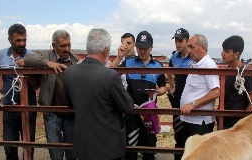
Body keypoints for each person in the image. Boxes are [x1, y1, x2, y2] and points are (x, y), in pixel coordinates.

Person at [63, 28, 134, 160]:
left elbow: (70, 103)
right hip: (108, 149)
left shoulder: (69, 73)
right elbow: (128, 107)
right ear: (106, 50)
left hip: (82, 147)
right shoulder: (110, 76)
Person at [17, 30, 78, 160]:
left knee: (72, 151)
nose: (67, 49)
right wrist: (48, 64)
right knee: (55, 151)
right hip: (51, 112)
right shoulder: (46, 55)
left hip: (71, 113)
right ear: (54, 46)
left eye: (69, 45)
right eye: (62, 46)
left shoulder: (75, 60)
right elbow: (28, 58)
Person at [119, 31, 167, 160]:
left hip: (149, 113)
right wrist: (119, 57)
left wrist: (157, 92)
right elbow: (113, 73)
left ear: (151, 47)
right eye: (139, 48)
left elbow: (163, 86)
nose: (142, 51)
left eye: (145, 48)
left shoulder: (158, 65)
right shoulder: (128, 62)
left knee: (149, 149)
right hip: (132, 112)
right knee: (131, 148)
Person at [0, 23, 37, 160]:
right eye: (18, 40)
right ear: (10, 40)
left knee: (28, 146)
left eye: (24, 40)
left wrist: (27, 69)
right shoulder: (1, 55)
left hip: (28, 108)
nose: (22, 43)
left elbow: (36, 85)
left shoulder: (30, 56)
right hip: (9, 107)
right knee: (9, 146)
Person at [180, 34, 220, 150]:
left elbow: (216, 92)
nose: (189, 50)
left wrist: (193, 104)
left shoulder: (208, 65)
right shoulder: (196, 64)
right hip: (190, 119)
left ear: (202, 48)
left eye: (192, 47)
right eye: (188, 47)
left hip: (199, 122)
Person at [220, 35, 252, 129]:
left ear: (236, 54)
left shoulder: (246, 72)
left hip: (236, 123)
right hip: (224, 118)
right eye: (223, 50)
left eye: (226, 51)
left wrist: (244, 125)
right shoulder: (228, 70)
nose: (222, 54)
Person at [167, 28, 192, 160]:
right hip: (178, 98)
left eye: (180, 41)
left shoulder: (194, 57)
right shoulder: (174, 57)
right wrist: (172, 86)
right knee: (178, 131)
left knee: (190, 132)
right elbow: (169, 71)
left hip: (191, 100)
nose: (177, 44)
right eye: (176, 41)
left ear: (187, 41)